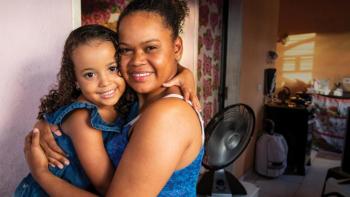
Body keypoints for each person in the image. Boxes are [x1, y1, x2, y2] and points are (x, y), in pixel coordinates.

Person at [24, 0, 204, 196]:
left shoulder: (169, 115)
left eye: (151, 47)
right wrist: (46, 123)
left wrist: (41, 173)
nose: (137, 61)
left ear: (177, 48)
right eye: (126, 49)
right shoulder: (133, 98)